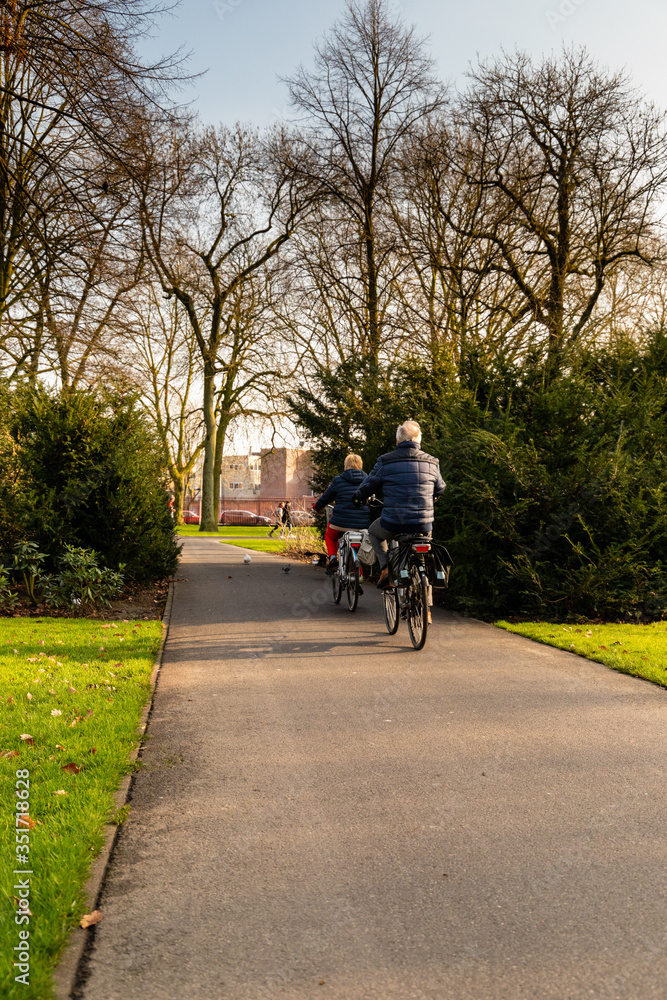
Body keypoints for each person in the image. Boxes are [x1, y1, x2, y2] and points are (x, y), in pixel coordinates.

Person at [353, 421, 445, 589]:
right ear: (419, 441)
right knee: (423, 563)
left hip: (394, 523)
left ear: (397, 441)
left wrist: (358, 497)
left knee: (374, 532)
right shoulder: (432, 462)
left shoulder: (385, 461)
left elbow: (368, 485)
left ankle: (385, 569)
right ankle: (427, 610)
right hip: (423, 525)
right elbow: (440, 488)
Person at [313, 454, 370, 575]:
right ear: (360, 465)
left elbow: (325, 498)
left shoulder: (338, 480)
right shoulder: (368, 480)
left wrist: (317, 507)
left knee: (330, 535)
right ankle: (358, 568)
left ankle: (333, 558)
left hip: (340, 523)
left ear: (346, 465)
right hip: (362, 524)